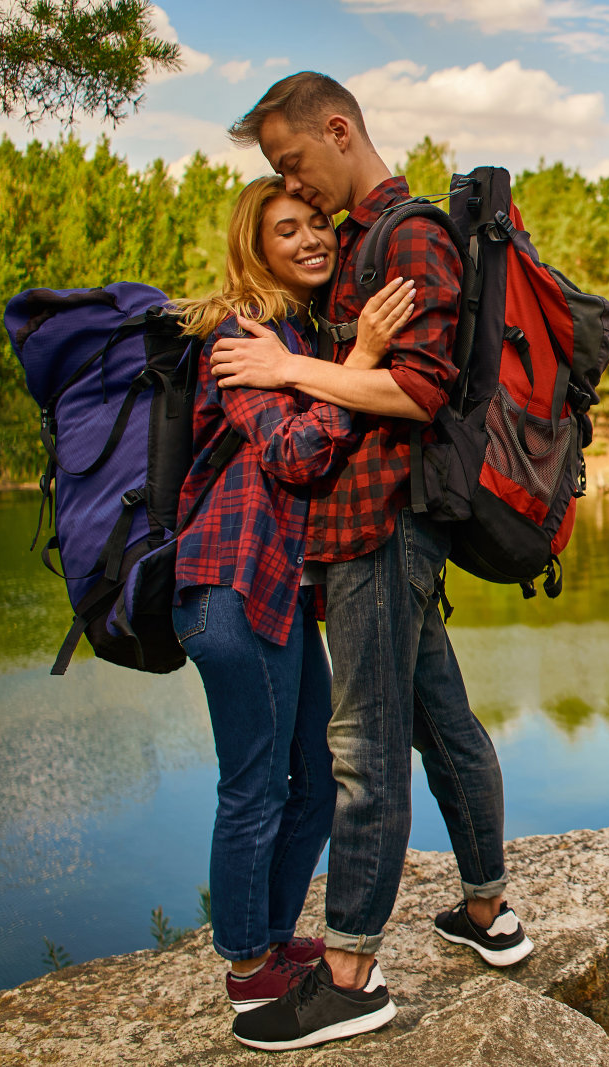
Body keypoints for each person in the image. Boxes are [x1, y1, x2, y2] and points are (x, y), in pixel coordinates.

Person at [209, 72, 532, 1053]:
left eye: (292, 160)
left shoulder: (407, 235)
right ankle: (488, 913)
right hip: (372, 526)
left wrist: (288, 367)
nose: (290, 182)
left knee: (364, 747)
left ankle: (350, 976)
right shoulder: (358, 243)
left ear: (339, 129)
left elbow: (420, 391)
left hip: (379, 526)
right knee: (441, 719)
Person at [172, 175, 415, 1017]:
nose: (312, 237)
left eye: (318, 222)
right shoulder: (242, 335)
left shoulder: (297, 337)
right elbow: (294, 451)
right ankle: (248, 969)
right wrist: (361, 363)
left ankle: (273, 934)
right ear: (256, 246)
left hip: (276, 592)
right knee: (255, 784)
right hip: (230, 584)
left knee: (314, 775)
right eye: (287, 229)